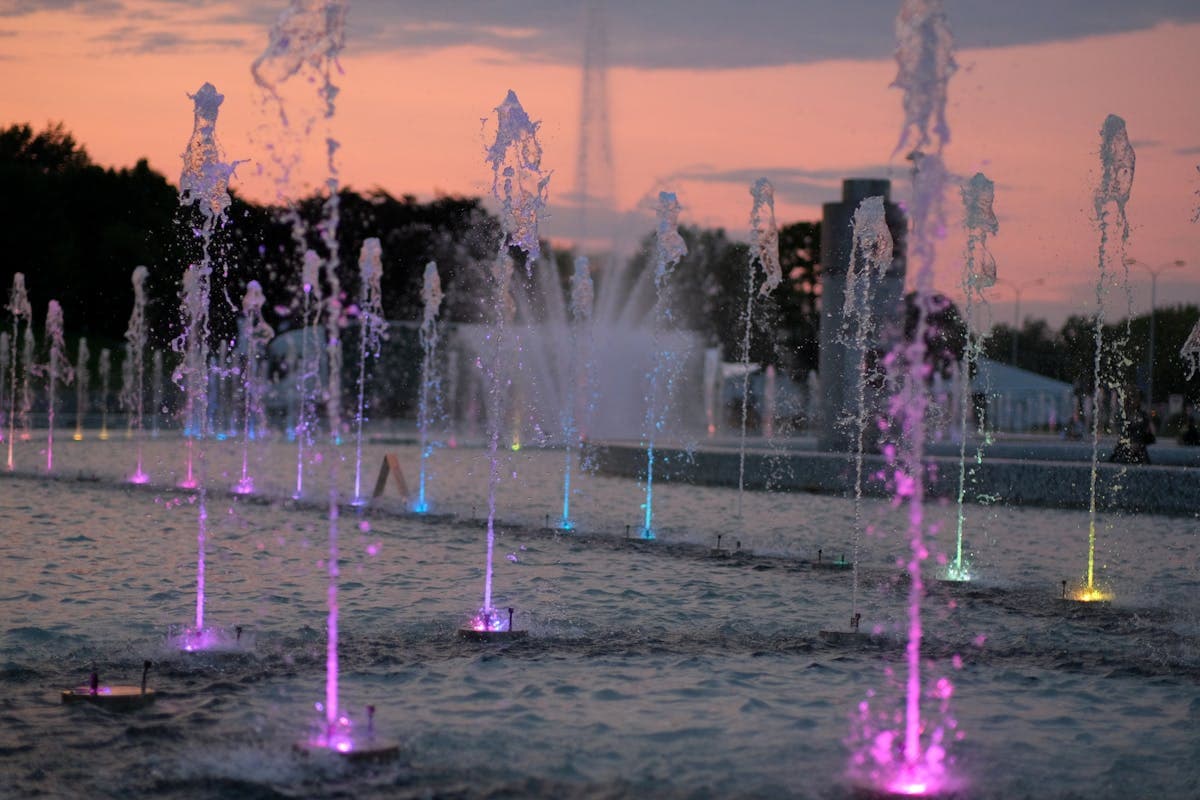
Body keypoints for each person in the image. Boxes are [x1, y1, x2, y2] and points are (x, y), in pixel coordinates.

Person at [1109, 388, 1154, 464]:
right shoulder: (1123, 415)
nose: (1134, 401)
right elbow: (1121, 431)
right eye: (1132, 397)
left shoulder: (1142, 415)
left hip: (1139, 448)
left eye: (1136, 398)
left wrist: (1138, 443)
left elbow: (1147, 432)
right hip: (1125, 447)